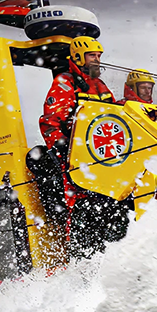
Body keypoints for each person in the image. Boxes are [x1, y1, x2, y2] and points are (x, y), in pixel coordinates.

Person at [28, 36, 132, 258]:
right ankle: (81, 257)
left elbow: (111, 117)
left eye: (99, 56)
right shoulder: (65, 83)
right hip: (77, 158)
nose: (97, 60)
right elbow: (50, 123)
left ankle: (116, 255)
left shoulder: (100, 85)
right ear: (77, 57)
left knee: (115, 204)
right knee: (80, 205)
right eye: (92, 56)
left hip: (104, 160)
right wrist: (63, 146)